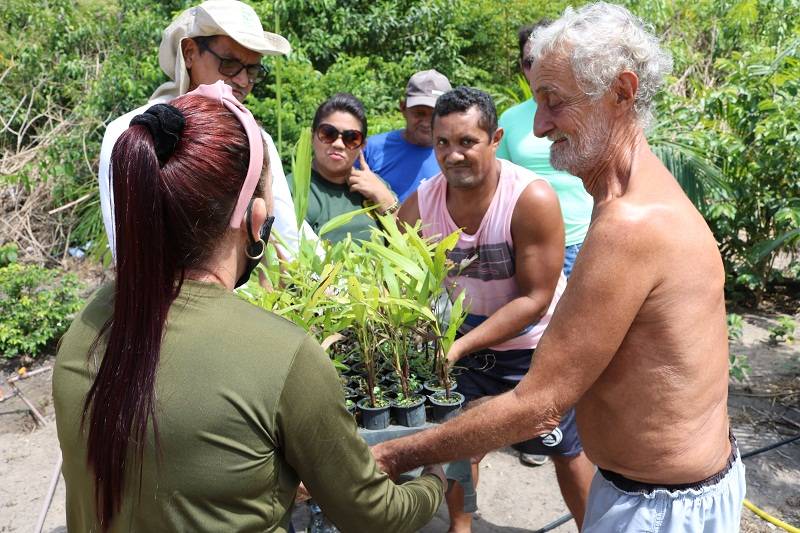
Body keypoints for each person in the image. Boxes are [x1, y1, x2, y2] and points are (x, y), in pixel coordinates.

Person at [374, 4, 746, 532]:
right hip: (646, 488)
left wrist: (389, 456)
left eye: (553, 103)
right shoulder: (623, 198)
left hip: (662, 507)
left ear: (621, 93)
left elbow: (537, 405)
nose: (541, 125)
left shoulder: (632, 225)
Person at [54, 81, 445, 532]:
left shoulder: (86, 326)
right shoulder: (282, 354)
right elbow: (374, 514)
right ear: (257, 220)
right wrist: (436, 475)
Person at [398, 86, 592, 532]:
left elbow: (535, 298)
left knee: (563, 447)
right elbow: (402, 275)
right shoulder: (425, 201)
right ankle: (461, 527)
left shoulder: (531, 199)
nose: (453, 155)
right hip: (463, 342)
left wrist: (457, 344)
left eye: (467, 141)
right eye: (443, 143)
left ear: (495, 138)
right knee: (459, 443)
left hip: (533, 344)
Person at [98, 0, 312, 260]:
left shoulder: (257, 139)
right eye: (229, 63)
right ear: (189, 53)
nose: (243, 80)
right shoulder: (135, 131)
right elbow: (127, 245)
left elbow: (288, 239)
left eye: (253, 69)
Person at [497, 21, 593, 280]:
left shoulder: (583, 108)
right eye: (530, 62)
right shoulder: (509, 119)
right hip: (529, 243)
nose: (537, 68)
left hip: (582, 239)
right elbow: (500, 184)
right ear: (522, 67)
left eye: (543, 59)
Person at [288, 93, 397, 244]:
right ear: (313, 137)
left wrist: (385, 199)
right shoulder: (293, 190)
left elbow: (407, 243)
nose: (338, 144)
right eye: (328, 133)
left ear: (362, 146)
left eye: (351, 138)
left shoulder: (375, 185)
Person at [363, 69, 452, 201]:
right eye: (419, 113)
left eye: (435, 115)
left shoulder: (456, 156)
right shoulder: (371, 149)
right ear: (403, 108)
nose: (427, 123)